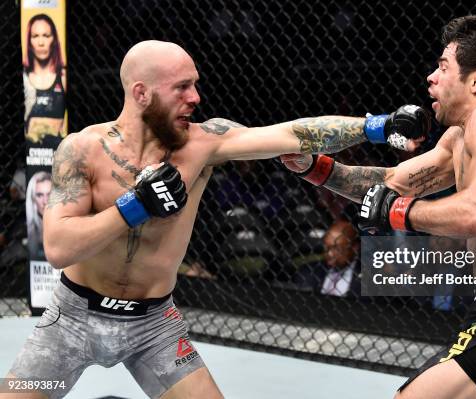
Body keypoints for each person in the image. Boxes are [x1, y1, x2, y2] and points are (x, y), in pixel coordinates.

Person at [2, 40, 429, 399]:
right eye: (182, 87)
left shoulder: (204, 142)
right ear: (141, 93)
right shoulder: (82, 150)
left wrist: (376, 125)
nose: (195, 98)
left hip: (154, 327)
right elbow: (59, 246)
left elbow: (293, 133)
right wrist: (136, 206)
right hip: (73, 320)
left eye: (195, 85)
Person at [282, 15, 476, 399]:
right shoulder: (461, 136)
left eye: (442, 67)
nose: (431, 78)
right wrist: (316, 167)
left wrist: (400, 212)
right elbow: (390, 183)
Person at [23, 14, 67, 147]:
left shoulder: (63, 76)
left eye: (46, 36)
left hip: (58, 150)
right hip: (30, 153)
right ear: (29, 41)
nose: (41, 43)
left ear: (53, 39)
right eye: (35, 36)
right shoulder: (24, 78)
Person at [293, 219, 361, 297]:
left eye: (337, 248)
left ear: (355, 247)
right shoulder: (306, 272)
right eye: (327, 247)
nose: (329, 253)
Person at [25, 171, 52, 260]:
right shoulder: (23, 231)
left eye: (49, 194)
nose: (45, 201)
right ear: (32, 198)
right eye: (39, 195)